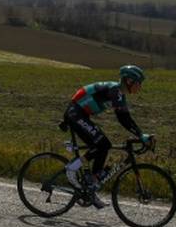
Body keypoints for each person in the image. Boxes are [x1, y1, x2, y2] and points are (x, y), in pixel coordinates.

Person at [61, 65, 153, 204]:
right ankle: (72, 168)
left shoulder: (119, 93)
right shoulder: (115, 91)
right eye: (139, 83)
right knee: (103, 145)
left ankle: (91, 186)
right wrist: (141, 135)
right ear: (129, 81)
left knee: (102, 145)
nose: (140, 87)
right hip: (76, 114)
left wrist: (140, 134)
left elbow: (126, 117)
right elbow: (123, 118)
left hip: (79, 114)